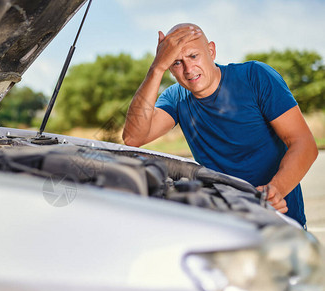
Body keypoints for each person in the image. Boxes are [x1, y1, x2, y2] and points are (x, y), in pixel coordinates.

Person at [122, 23, 318, 227]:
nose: (189, 70)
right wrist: (156, 67)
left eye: (193, 56)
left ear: (211, 50)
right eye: (176, 62)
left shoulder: (255, 76)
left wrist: (275, 191)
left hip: (279, 222)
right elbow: (133, 138)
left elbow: (303, 143)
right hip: (225, 225)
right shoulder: (175, 98)